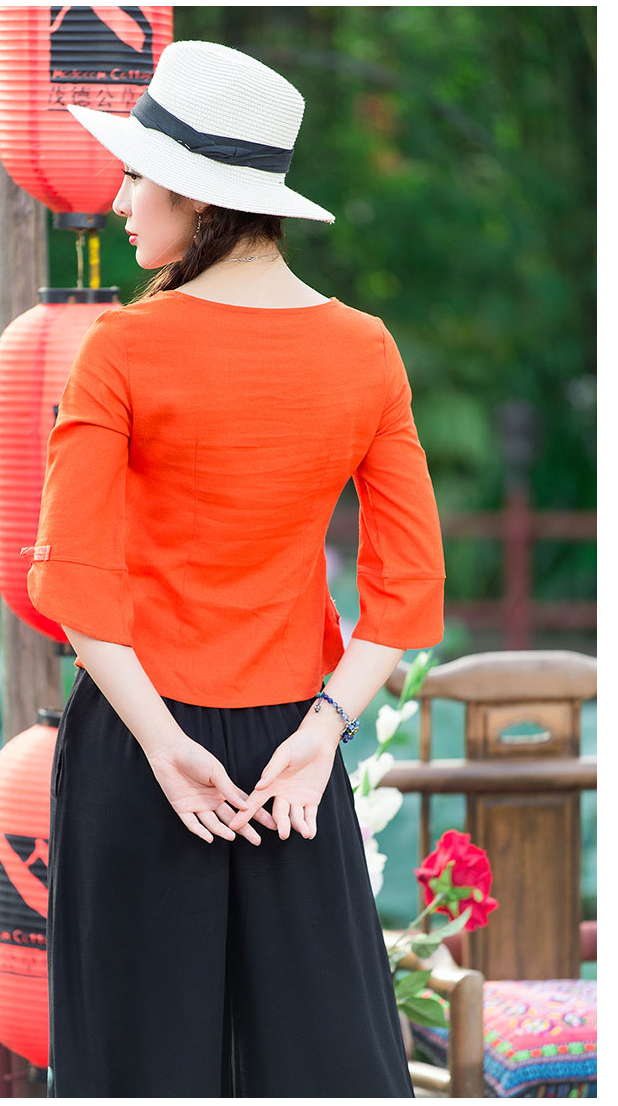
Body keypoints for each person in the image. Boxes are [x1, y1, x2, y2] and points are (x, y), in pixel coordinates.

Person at [26, 39, 445, 1098]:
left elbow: (72, 586)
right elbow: (408, 592)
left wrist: (167, 747)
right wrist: (323, 733)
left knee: (139, 1068)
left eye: (137, 176)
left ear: (196, 195)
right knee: (324, 1064)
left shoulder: (121, 348)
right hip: (290, 760)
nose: (119, 201)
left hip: (140, 742)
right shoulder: (366, 350)